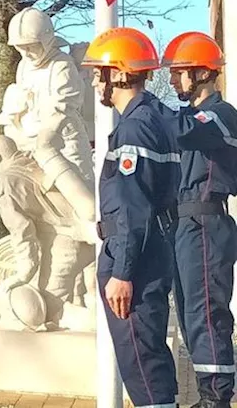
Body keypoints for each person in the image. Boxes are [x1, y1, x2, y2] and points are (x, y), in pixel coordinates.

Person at [81, 28, 180, 408]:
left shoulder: (135, 126)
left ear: (120, 74)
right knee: (149, 354)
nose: (95, 81)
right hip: (151, 247)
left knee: (140, 361)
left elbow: (132, 207)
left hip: (134, 257)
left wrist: (122, 272)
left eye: (99, 72)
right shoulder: (156, 117)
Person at [163, 31, 237, 405]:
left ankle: (217, 397)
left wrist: (143, 104)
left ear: (204, 73)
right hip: (184, 228)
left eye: (179, 72)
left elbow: (188, 130)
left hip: (206, 227)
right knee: (192, 317)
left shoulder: (221, 116)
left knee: (206, 313)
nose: (173, 80)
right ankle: (208, 391)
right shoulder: (192, 116)